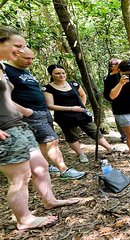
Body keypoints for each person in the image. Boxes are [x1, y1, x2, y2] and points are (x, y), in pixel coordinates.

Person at [0, 26, 79, 231]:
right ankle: (24, 219)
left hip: (18, 125)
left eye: (23, 45)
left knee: (41, 166)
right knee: (20, 177)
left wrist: (24, 111)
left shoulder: (1, 67)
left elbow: (5, 99)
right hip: (5, 130)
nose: (21, 50)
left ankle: (49, 200)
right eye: (17, 45)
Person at [5, 48, 85, 179]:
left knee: (43, 142)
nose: (30, 61)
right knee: (52, 140)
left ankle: (45, 166)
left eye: (32, 59)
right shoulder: (6, 70)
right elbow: (3, 97)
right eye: (26, 58)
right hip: (30, 114)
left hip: (42, 111)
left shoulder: (24, 71)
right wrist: (24, 111)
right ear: (15, 55)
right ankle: (64, 170)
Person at [43, 64, 114, 163]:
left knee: (93, 130)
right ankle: (81, 154)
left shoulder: (73, 84)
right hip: (64, 116)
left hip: (81, 113)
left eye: (63, 73)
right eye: (57, 73)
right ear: (51, 74)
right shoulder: (47, 88)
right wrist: (71, 109)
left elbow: (83, 95)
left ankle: (109, 148)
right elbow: (50, 105)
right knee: (71, 136)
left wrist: (82, 106)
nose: (61, 75)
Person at [104, 59, 127, 143]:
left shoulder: (122, 75)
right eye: (118, 64)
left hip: (127, 100)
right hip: (116, 101)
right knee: (119, 118)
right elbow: (108, 93)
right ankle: (124, 136)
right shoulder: (108, 78)